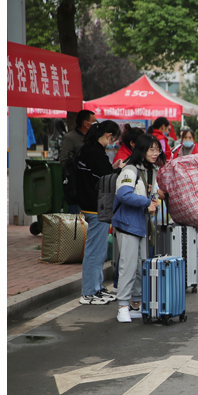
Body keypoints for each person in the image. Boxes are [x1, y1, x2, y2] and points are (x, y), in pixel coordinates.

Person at [112, 134, 162, 323]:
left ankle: (135, 303)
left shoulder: (151, 170)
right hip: (128, 224)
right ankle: (123, 306)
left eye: (157, 149)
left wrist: (153, 201)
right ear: (141, 150)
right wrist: (147, 202)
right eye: (151, 149)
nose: (155, 153)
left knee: (142, 265)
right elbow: (124, 194)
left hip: (142, 225)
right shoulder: (130, 170)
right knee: (128, 265)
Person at [76, 121, 122, 305]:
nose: (114, 142)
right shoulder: (95, 152)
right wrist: (119, 169)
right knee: (95, 251)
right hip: (95, 206)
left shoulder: (90, 149)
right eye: (114, 138)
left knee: (99, 250)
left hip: (93, 205)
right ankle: (89, 292)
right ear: (109, 135)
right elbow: (107, 177)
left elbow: (102, 174)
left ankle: (96, 288)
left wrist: (114, 168)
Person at [61, 110, 98, 213]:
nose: (96, 124)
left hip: (92, 184)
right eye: (94, 121)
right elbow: (64, 161)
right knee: (77, 220)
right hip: (78, 186)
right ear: (85, 123)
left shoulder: (94, 138)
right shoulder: (70, 138)